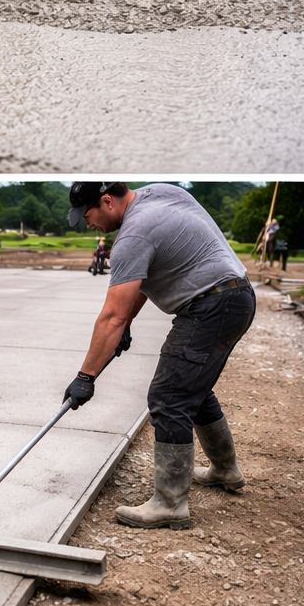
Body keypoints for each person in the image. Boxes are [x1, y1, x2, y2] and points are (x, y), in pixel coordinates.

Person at [64, 181, 255, 530]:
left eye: (87, 215)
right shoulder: (161, 193)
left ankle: (170, 504)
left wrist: (84, 377)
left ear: (107, 201)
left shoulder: (133, 236)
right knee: (191, 387)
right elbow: (142, 281)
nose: (87, 224)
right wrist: (128, 325)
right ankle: (226, 470)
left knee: (168, 397)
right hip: (236, 295)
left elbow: (111, 316)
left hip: (211, 305)